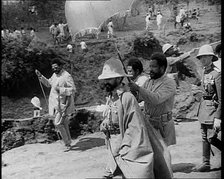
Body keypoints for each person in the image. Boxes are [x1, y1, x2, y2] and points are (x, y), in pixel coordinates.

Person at [99, 57, 173, 179]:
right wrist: (105, 122)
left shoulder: (127, 98)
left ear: (119, 78)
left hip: (127, 151)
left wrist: (125, 152)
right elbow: (113, 118)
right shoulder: (111, 98)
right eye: (105, 79)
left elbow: (136, 131)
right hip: (115, 150)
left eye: (109, 79)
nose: (106, 81)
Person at [128, 52, 176, 147]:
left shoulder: (169, 83)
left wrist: (138, 88)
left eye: (154, 67)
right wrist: (131, 89)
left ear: (162, 68)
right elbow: (138, 99)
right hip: (149, 124)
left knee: (162, 155)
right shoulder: (148, 82)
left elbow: (156, 99)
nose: (150, 69)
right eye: (150, 66)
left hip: (162, 125)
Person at [35, 58, 76, 150]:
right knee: (64, 124)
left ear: (61, 66)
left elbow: (73, 90)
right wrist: (41, 76)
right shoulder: (54, 75)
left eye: (56, 67)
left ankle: (66, 143)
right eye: (53, 68)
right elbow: (49, 84)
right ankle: (68, 143)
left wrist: (61, 89)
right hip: (55, 104)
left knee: (57, 123)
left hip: (63, 104)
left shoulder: (66, 76)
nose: (54, 69)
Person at [192, 44, 221, 172]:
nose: (202, 59)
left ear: (211, 57)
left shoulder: (217, 75)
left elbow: (221, 99)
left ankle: (206, 162)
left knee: (211, 137)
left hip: (213, 110)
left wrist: (218, 117)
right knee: (204, 136)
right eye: (200, 57)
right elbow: (205, 92)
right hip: (204, 109)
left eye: (205, 57)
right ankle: (206, 163)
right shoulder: (204, 72)